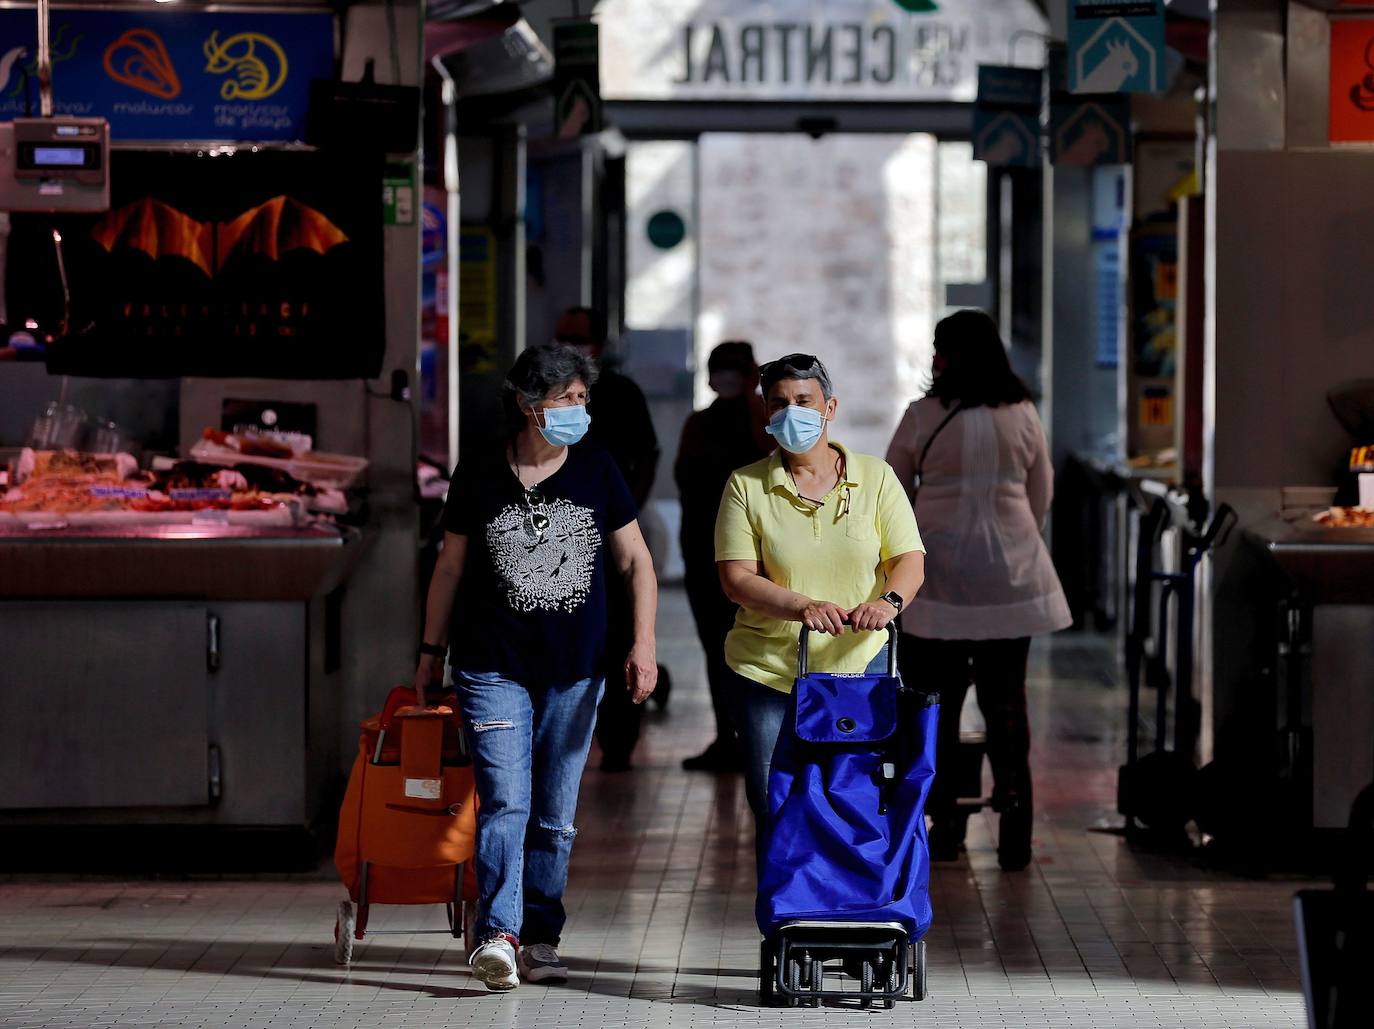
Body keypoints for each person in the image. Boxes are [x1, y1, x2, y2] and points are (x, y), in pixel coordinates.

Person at [414, 342, 658, 991]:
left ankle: (541, 933)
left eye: (583, 398)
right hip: (491, 663)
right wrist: (428, 652)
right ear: (528, 405)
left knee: (554, 813)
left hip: (577, 669)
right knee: (505, 803)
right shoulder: (480, 474)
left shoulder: (599, 469)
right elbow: (449, 566)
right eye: (565, 399)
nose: (579, 410)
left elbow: (636, 563)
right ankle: (498, 931)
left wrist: (643, 643)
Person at [714, 353, 926, 847]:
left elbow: (909, 560)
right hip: (768, 670)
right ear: (766, 415)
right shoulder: (746, 485)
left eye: (804, 401)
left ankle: (854, 909)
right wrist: (801, 607)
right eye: (779, 403)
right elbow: (736, 578)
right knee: (773, 802)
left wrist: (889, 603)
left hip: (860, 665)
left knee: (860, 793)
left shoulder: (875, 478)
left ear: (830, 407)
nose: (792, 413)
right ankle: (788, 914)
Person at [884, 309, 1071, 872]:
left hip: (938, 575)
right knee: (1006, 703)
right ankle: (1016, 824)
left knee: (935, 706)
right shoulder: (1021, 412)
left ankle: (943, 825)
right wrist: (1011, 539)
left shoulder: (923, 416)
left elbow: (892, 490)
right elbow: (1042, 492)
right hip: (1010, 576)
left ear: (949, 356)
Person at [553, 307, 664, 771]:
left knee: (618, 631)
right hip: (554, 536)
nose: (572, 345)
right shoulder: (546, 397)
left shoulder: (620, 394)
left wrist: (625, 512)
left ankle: (617, 740)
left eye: (579, 337)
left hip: (611, 535)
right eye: (564, 336)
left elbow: (648, 453)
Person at [674, 341, 772, 772]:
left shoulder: (767, 419)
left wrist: (756, 403)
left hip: (758, 558)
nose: (727, 377)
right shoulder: (699, 423)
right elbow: (686, 482)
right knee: (717, 649)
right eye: (720, 368)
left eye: (736, 369)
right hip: (703, 552)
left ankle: (757, 738)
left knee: (759, 648)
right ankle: (726, 737)